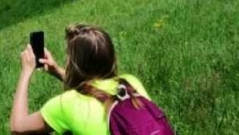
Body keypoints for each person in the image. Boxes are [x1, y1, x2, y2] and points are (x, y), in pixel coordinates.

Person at [10, 24, 152, 134]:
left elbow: (17, 127)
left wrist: (26, 72)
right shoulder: (129, 83)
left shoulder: (66, 104)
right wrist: (56, 71)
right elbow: (94, 89)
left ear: (74, 64)